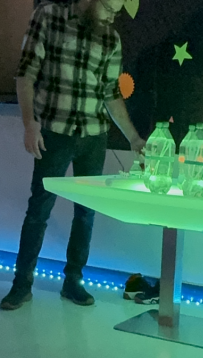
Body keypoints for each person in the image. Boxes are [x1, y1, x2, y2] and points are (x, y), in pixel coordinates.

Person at [1, 0, 146, 311]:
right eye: (109, 7)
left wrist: (134, 137)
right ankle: (21, 285)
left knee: (86, 213)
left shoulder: (110, 38)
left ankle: (73, 282)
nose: (112, 15)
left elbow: (110, 92)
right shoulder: (49, 16)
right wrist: (30, 124)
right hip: (54, 131)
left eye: (117, 11)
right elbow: (25, 74)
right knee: (39, 208)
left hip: (93, 135)